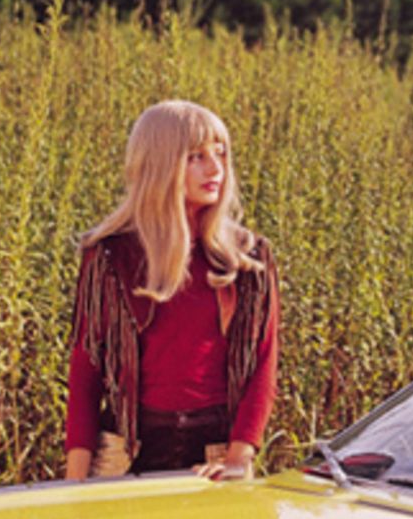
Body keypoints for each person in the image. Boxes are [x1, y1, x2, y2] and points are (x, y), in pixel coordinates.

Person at [64, 100, 279, 481]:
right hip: (124, 450)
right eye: (196, 156)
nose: (215, 169)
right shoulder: (111, 255)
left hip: (216, 453)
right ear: (159, 164)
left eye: (221, 153)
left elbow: (263, 363)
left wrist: (238, 458)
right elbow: (86, 367)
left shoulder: (247, 257)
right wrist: (74, 481)